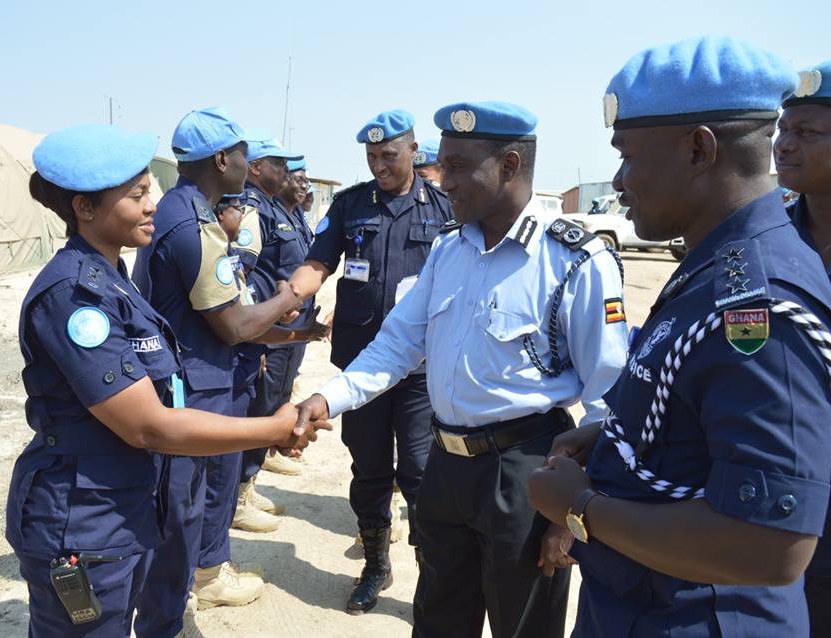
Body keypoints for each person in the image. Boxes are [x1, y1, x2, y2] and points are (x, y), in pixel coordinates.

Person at [528, 37, 831, 638]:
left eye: (628, 155)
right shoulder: (715, 262)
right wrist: (619, 438)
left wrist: (581, 510)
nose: (619, 178)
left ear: (699, 149)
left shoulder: (757, 303)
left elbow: (771, 544)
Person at [295, 102, 627, 634]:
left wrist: (578, 514)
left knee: (524, 625)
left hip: (526, 474)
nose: (442, 180)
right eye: (441, 164)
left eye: (456, 167)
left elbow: (610, 399)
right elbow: (397, 344)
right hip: (447, 472)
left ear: (509, 166)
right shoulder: (449, 249)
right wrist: (326, 399)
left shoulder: (574, 260)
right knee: (438, 620)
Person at [5, 123, 326, 637]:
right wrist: (273, 428)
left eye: (148, 189)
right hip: (83, 521)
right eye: (135, 196)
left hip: (122, 507)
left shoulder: (113, 278)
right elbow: (148, 426)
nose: (152, 203)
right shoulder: (74, 296)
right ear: (84, 209)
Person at [130, 108, 308, 624]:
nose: (249, 167)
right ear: (223, 158)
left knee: (206, 493)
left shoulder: (191, 212)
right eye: (246, 155)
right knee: (184, 507)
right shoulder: (192, 223)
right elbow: (232, 324)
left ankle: (203, 578)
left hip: (208, 375)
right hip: (196, 382)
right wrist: (289, 294)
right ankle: (174, 610)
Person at [289, 108, 452, 615]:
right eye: (371, 156)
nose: (379, 164)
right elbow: (320, 261)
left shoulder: (445, 208)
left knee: (423, 472)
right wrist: (292, 293)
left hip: (421, 370)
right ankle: (376, 566)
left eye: (388, 155)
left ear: (413, 151)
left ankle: (433, 574)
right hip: (361, 367)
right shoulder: (350, 205)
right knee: (370, 468)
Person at [775, 58, 831, 636]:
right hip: (779, 503)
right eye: (782, 132)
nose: (785, 146)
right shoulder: (763, 239)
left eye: (807, 133)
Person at [233, 131, 310, 515]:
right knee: (259, 406)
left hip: (285, 324)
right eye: (279, 164)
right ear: (256, 167)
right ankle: (239, 493)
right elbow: (242, 276)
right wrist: (260, 328)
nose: (287, 171)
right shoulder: (254, 209)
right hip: (265, 327)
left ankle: (252, 472)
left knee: (276, 397)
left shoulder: (280, 209)